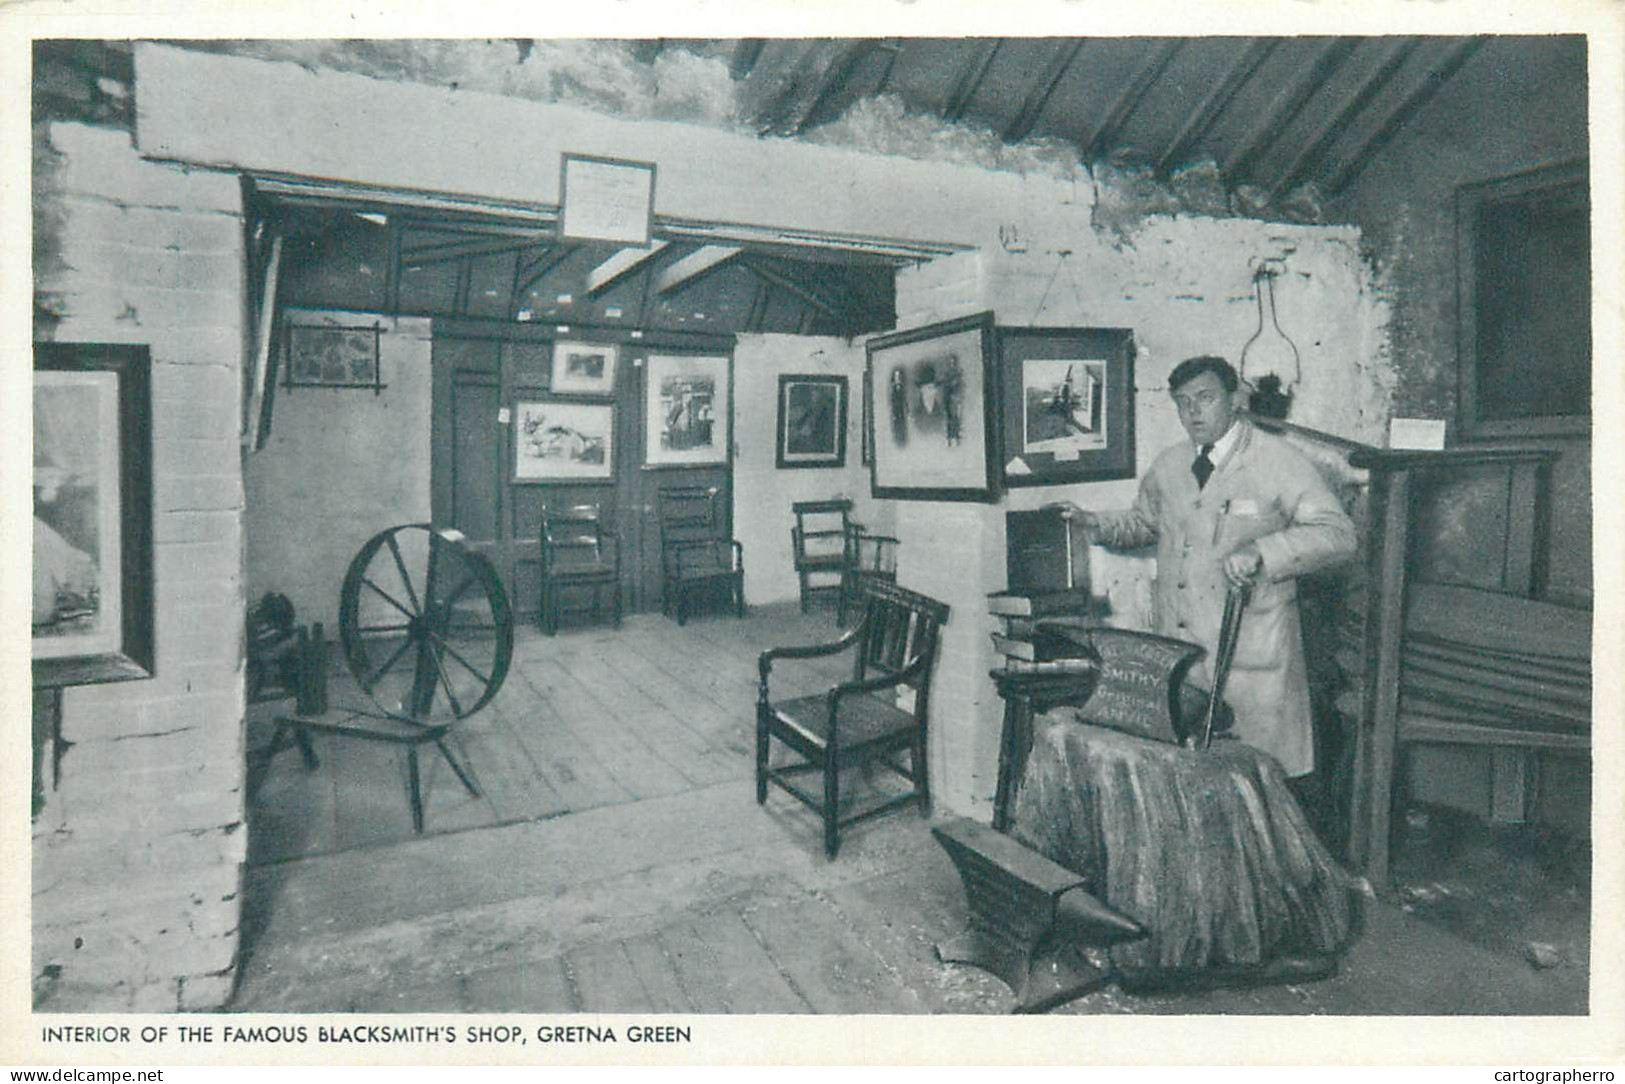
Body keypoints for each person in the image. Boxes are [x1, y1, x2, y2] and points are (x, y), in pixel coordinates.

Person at [1052, 355, 1356, 782]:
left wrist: (1265, 551)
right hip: (1181, 656)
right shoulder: (1170, 465)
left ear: (1236, 399)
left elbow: (1339, 535)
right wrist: (1095, 523)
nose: (1192, 411)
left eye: (1205, 398)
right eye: (1182, 402)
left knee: (1257, 785)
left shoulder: (1278, 461)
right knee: (1190, 785)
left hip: (1251, 661)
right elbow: (1145, 523)